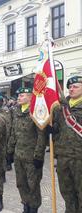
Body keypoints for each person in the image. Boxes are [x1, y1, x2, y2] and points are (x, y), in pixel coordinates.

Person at [8, 88, 46, 213]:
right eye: (18, 95)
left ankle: (33, 208)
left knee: (33, 185)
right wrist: (10, 150)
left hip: (32, 157)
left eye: (22, 95)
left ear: (30, 97)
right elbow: (13, 132)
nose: (18, 97)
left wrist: (39, 156)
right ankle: (26, 205)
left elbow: (41, 136)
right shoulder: (16, 111)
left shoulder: (36, 111)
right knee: (21, 183)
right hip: (18, 155)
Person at [51, 76, 82, 213]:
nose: (71, 89)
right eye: (70, 87)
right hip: (63, 157)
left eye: (75, 86)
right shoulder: (61, 107)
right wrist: (51, 130)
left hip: (80, 158)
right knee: (66, 191)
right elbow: (57, 129)